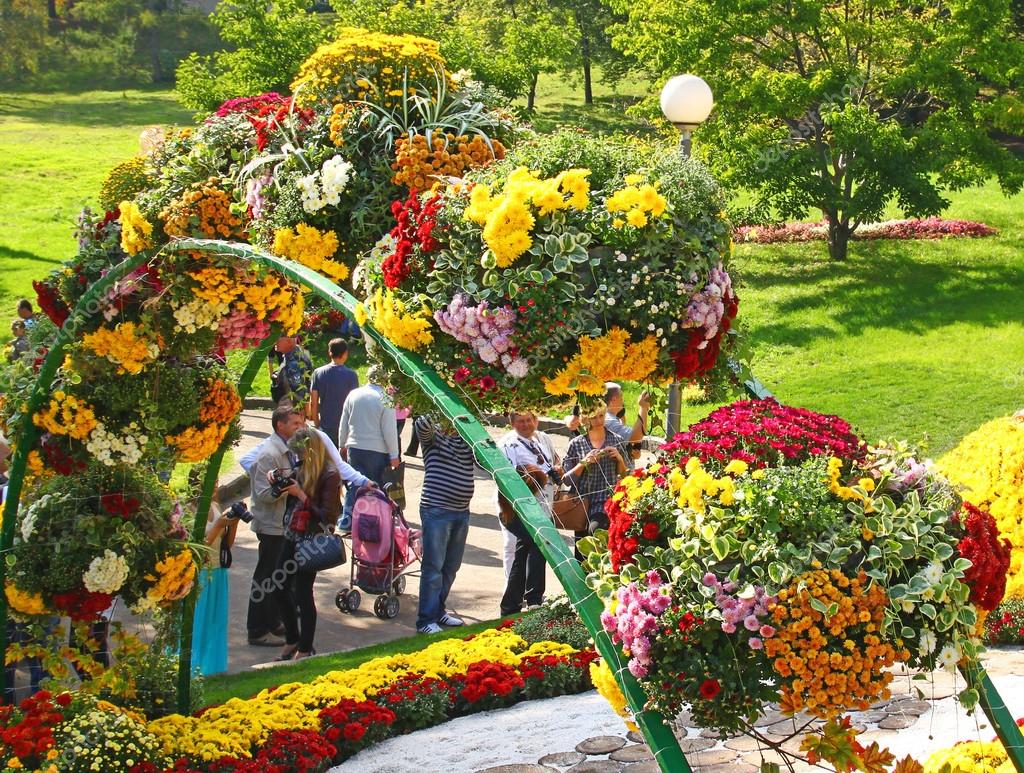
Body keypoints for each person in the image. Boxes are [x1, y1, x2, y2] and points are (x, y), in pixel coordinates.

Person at [273, 428, 341, 661]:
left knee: (303, 593)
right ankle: (292, 639)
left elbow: (327, 516)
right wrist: (278, 481)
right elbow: (284, 495)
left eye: (300, 454)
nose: (296, 459)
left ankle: (305, 647)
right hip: (292, 535)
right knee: (278, 588)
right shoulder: (301, 468)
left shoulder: (330, 474)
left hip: (310, 541)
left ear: (310, 451)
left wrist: (300, 494)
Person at [246, 404, 305, 646]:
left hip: (283, 525)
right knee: (266, 578)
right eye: (295, 424)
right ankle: (258, 630)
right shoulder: (270, 454)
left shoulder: (289, 449)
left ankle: (273, 621)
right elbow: (262, 494)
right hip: (271, 526)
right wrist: (286, 487)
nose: (300, 428)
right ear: (280, 425)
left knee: (279, 578)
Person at [415, 415, 475, 634]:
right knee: (433, 567)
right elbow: (422, 425)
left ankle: (438, 610)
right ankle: (425, 620)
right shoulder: (433, 435)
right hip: (436, 510)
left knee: (451, 566)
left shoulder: (466, 437)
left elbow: (484, 460)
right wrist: (440, 408)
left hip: (461, 511)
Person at [498, 410, 560, 615]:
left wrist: (555, 471)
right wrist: (535, 474)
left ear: (535, 421)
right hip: (517, 509)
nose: (525, 425)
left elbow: (552, 462)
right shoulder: (508, 444)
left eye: (528, 420)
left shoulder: (541, 439)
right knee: (537, 544)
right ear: (512, 423)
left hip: (541, 507)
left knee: (526, 550)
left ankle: (513, 604)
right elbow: (508, 477)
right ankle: (532, 598)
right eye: (520, 421)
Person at [337, 368, 401, 528]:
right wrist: (394, 455)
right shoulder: (386, 399)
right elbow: (390, 431)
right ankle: (373, 523)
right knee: (377, 487)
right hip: (377, 450)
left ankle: (347, 520)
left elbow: (343, 422)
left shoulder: (353, 394)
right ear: (385, 380)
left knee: (355, 483)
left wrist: (341, 445)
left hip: (354, 447)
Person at [562, 408, 629, 560]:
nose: (599, 421)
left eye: (601, 416)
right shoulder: (576, 444)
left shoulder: (616, 440)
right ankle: (582, 581)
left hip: (605, 502)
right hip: (581, 504)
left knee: (595, 532)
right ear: (585, 419)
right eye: (594, 417)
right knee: (581, 551)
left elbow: (626, 476)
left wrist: (619, 459)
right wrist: (583, 463)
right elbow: (566, 480)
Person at [191, 490, 239, 676]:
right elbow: (198, 548)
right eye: (213, 482)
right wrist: (218, 525)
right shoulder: (190, 510)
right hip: (201, 574)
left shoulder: (215, 506)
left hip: (219, 571)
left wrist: (233, 524)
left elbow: (227, 544)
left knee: (215, 622)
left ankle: (211, 667)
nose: (215, 487)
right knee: (198, 621)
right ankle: (193, 666)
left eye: (217, 482)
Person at [566, 383, 651, 454]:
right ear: (614, 399)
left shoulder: (608, 417)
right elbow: (635, 437)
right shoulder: (609, 420)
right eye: (621, 396)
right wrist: (643, 408)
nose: (623, 400)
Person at [308, 338, 359, 448]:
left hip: (325, 424)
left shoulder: (318, 373)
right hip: (346, 426)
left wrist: (317, 424)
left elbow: (313, 402)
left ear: (329, 352)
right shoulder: (352, 375)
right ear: (345, 354)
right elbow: (355, 404)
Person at [268, 336, 313, 407]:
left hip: (291, 412)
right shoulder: (292, 356)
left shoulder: (294, 361)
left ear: (289, 341)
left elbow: (298, 395)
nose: (275, 342)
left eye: (278, 339)